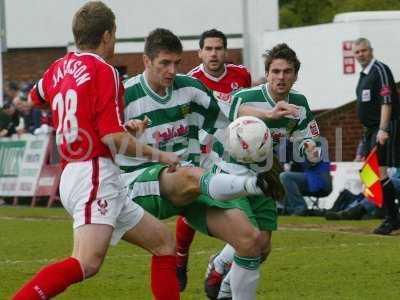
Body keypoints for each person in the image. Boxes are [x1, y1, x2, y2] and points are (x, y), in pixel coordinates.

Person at [13, 3, 183, 299]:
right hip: (93, 172)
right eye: (114, 35)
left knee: (164, 243)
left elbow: (35, 96)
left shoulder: (58, 67)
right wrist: (162, 156)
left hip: (76, 173)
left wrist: (109, 127)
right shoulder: (105, 70)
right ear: (106, 35)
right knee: (87, 262)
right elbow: (112, 138)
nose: (114, 41)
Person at [121, 29, 296, 300]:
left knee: (251, 241)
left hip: (190, 180)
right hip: (140, 182)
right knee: (89, 262)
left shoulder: (189, 88)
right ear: (146, 61)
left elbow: (229, 115)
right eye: (164, 64)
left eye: (176, 63)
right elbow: (102, 136)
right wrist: (124, 132)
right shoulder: (125, 95)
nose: (172, 70)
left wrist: (266, 115)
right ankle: (251, 185)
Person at [204, 43, 321, 300]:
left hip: (264, 174)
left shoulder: (299, 104)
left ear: (295, 75)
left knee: (264, 248)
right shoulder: (246, 97)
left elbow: (305, 140)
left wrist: (310, 149)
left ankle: (222, 271)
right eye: (276, 71)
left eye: (287, 72)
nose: (281, 77)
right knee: (250, 239)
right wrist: (268, 114)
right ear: (267, 74)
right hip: (231, 172)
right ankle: (225, 283)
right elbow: (234, 109)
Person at [176, 28, 252, 291]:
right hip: (203, 151)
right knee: (192, 201)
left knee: (245, 208)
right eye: (208, 48)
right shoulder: (190, 80)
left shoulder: (241, 75)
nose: (213, 53)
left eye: (218, 48)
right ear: (199, 52)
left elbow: (245, 111)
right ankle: (181, 257)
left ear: (225, 51)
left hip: (235, 151)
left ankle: (221, 265)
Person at [353, 37, 400, 235]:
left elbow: (386, 101)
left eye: (364, 50)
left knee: (379, 172)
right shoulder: (364, 74)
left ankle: (392, 219)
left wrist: (383, 128)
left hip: (384, 128)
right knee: (369, 173)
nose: (360, 54)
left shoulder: (380, 69)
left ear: (371, 50)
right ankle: (390, 215)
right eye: (357, 52)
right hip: (370, 131)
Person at [280, 139, 332, 215]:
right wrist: (289, 144)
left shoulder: (317, 144)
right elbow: (283, 157)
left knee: (285, 176)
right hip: (307, 180)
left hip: (319, 182)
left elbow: (312, 161)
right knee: (281, 178)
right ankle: (287, 209)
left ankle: (300, 207)